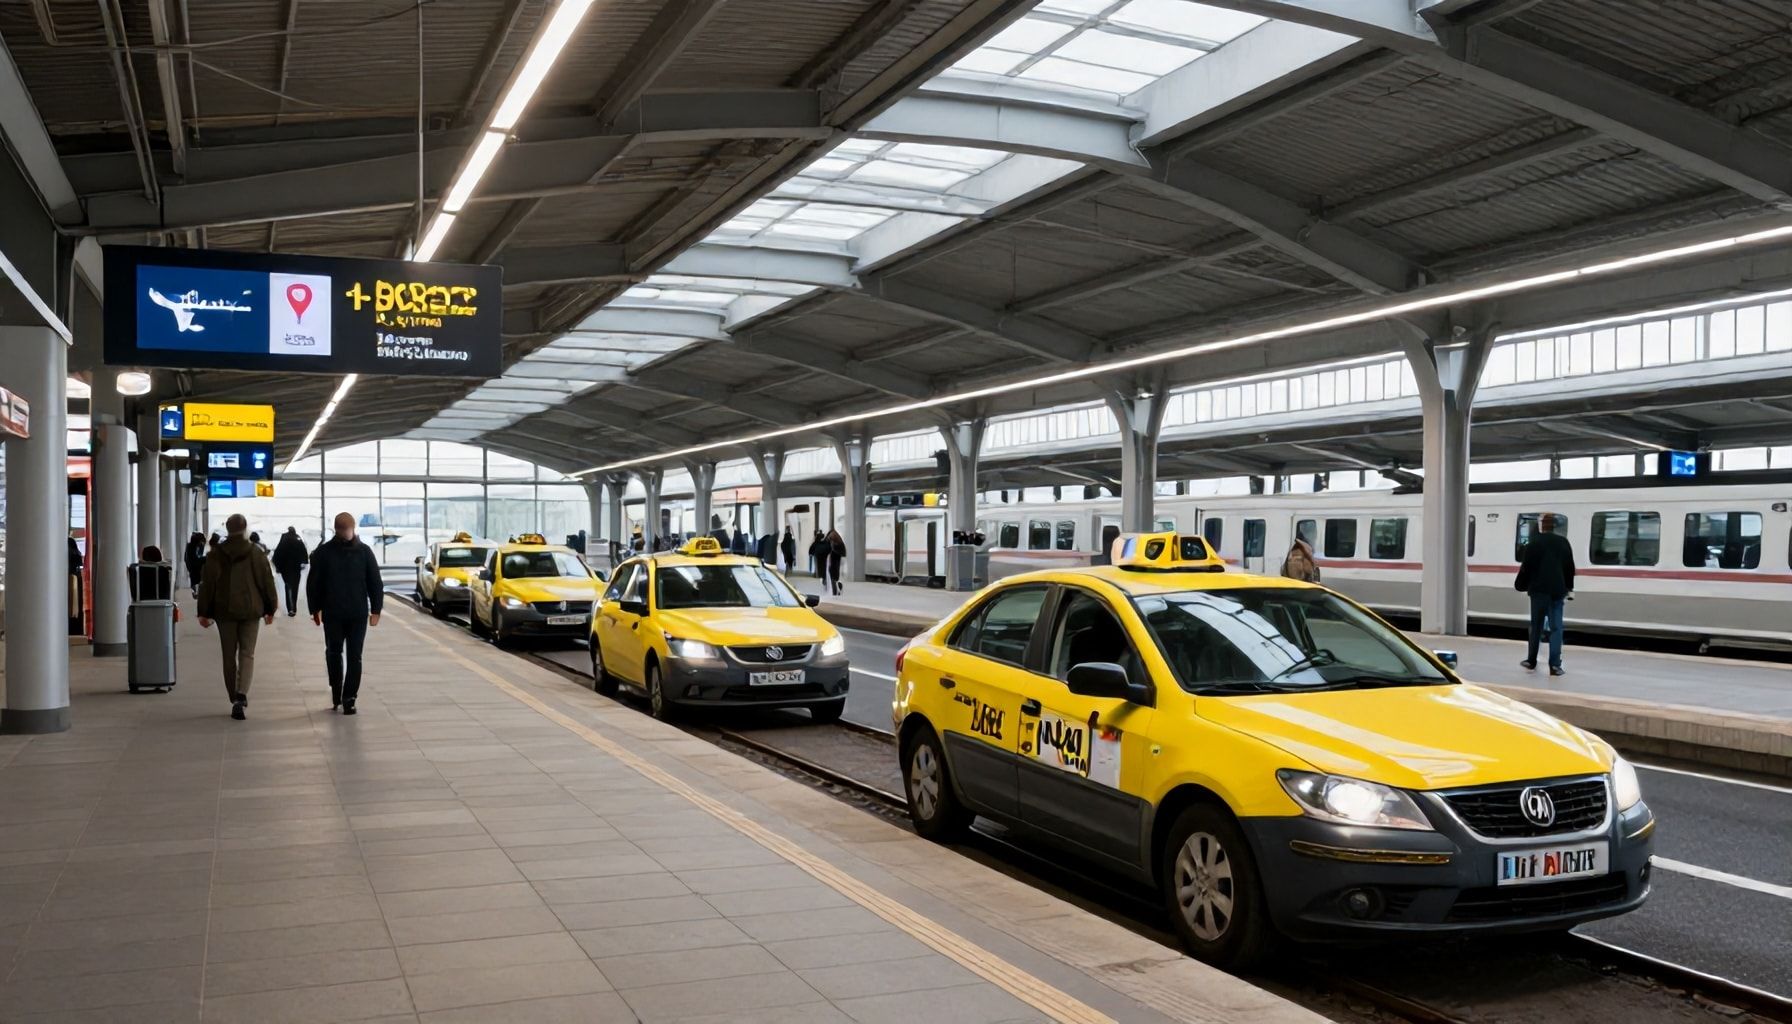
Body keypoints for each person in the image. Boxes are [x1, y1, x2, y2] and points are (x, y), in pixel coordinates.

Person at [196, 514, 278, 721]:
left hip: (224, 611)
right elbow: (266, 581)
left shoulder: (215, 555)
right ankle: (242, 695)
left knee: (228, 655)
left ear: (228, 529)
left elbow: (208, 585)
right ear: (245, 529)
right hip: (251, 610)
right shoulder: (255, 553)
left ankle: (234, 697)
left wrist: (204, 611)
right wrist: (271, 608)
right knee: (247, 653)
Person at [307, 512, 383, 714]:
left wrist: (376, 610)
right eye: (343, 529)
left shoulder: (365, 552)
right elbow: (314, 584)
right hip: (333, 613)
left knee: (354, 656)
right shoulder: (323, 553)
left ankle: (349, 697)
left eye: (348, 529)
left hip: (357, 613)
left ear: (354, 528)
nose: (347, 532)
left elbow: (375, 582)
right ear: (337, 529)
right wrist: (315, 609)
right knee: (334, 652)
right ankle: (336, 689)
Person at [1515, 512, 1575, 676]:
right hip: (1557, 591)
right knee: (1556, 628)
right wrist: (1569, 587)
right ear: (1554, 526)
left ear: (1542, 526)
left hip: (1538, 591)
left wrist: (1520, 585)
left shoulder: (1534, 543)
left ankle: (1531, 661)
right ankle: (1555, 666)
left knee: (1536, 627)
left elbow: (1526, 567)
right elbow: (1569, 567)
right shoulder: (1563, 542)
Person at [271, 526, 309, 616]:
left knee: (288, 586)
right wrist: (303, 563)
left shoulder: (283, 541)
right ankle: (294, 607)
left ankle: (290, 608)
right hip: (296, 568)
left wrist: (278, 567)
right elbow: (304, 554)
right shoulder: (298, 541)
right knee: (295, 587)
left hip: (285, 569)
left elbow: (276, 556)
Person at [183, 532, 207, 597]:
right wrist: (206, 558)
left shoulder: (198, 546)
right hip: (194, 567)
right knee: (195, 578)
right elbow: (195, 559)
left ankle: (196, 591)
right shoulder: (191, 547)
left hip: (195, 567)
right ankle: (195, 591)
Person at [826, 528, 846, 596]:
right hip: (839, 561)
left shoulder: (833, 544)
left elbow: (832, 553)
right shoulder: (840, 543)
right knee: (837, 576)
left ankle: (835, 590)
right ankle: (837, 588)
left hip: (834, 561)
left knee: (833, 576)